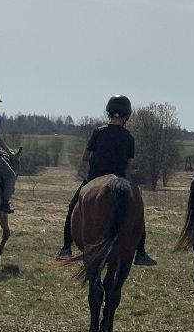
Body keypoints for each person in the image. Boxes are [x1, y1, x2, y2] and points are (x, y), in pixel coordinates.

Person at [56, 94, 156, 265]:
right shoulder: (129, 138)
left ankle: (66, 248)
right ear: (127, 115)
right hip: (120, 179)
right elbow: (128, 164)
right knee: (138, 212)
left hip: (95, 177)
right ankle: (140, 252)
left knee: (73, 207)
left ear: (108, 112)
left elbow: (85, 157)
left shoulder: (98, 132)